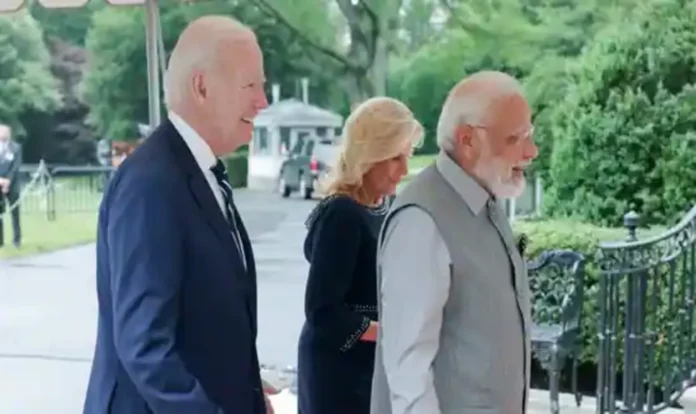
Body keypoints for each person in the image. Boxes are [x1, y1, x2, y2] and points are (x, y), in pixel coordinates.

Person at [83, 16, 272, 414]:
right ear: (202, 86)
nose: (262, 102)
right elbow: (146, 348)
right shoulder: (152, 183)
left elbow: (205, 320)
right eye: (251, 85)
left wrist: (251, 394)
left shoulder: (194, 172)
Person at [371, 71, 539, 414]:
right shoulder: (421, 220)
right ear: (468, 140)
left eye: (530, 136)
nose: (531, 151)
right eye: (515, 138)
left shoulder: (483, 201)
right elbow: (408, 375)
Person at [297, 97, 423, 414]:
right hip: (339, 374)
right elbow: (323, 312)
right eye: (396, 158)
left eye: (407, 157)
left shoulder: (380, 207)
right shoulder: (343, 214)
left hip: (368, 364)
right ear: (370, 154)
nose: (404, 170)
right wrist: (391, 334)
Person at [0, 124, 22, 249]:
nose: (3, 134)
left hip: (12, 185)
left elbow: (15, 166)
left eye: (5, 132)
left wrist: (8, 180)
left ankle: (17, 240)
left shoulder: (16, 148)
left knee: (15, 213)